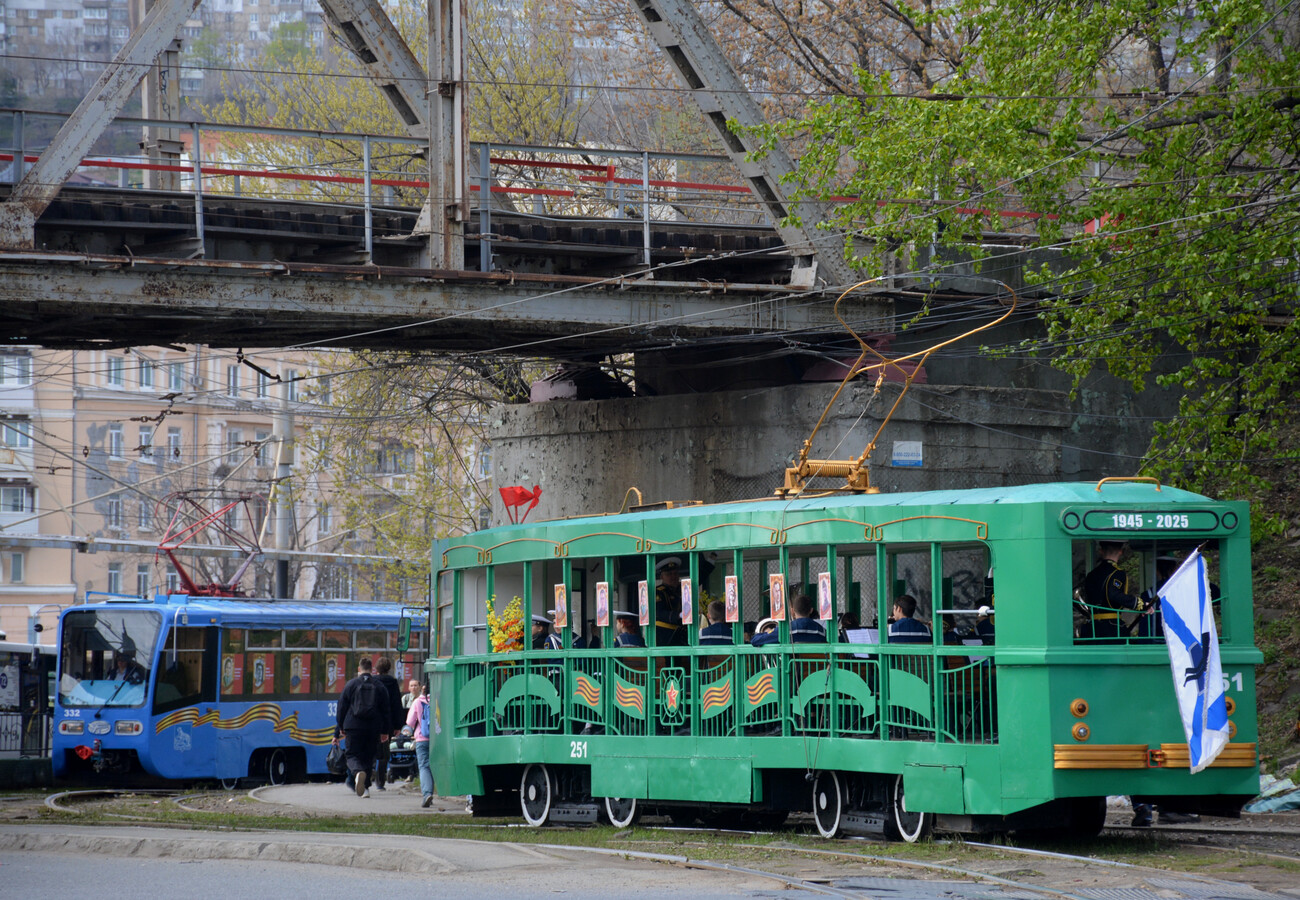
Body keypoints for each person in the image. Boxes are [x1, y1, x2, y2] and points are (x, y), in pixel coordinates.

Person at [333, 657, 388, 799]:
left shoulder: (351, 684)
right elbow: (386, 710)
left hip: (353, 726)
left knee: (351, 754)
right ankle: (366, 789)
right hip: (373, 727)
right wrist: (385, 731)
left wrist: (340, 727)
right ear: (372, 670)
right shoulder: (379, 685)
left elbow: (341, 708)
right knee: (369, 757)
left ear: (359, 669)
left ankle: (357, 772)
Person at [1083, 541, 1152, 642]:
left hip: (1093, 627)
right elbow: (1114, 594)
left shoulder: (1091, 574)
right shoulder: (1117, 573)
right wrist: (1140, 604)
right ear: (1121, 552)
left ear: (1100, 551)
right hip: (1111, 628)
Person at [371, 657, 405, 791]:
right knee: (384, 752)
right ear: (389, 669)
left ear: (376, 669)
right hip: (388, 722)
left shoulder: (372, 681)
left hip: (372, 721)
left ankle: (368, 773)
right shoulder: (392, 682)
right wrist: (398, 725)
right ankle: (380, 781)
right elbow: (397, 704)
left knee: (370, 748)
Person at [404, 682, 435, 808]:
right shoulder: (440, 700)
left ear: (423, 690)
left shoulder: (417, 702)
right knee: (435, 765)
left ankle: (427, 794)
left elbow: (410, 722)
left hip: (422, 738)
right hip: (438, 739)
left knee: (424, 766)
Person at [654, 556, 686, 647]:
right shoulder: (658, 592)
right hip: (665, 636)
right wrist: (679, 615)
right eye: (669, 574)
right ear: (661, 576)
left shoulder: (683, 589)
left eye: (675, 573)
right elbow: (658, 613)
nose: (673, 576)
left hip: (682, 635)